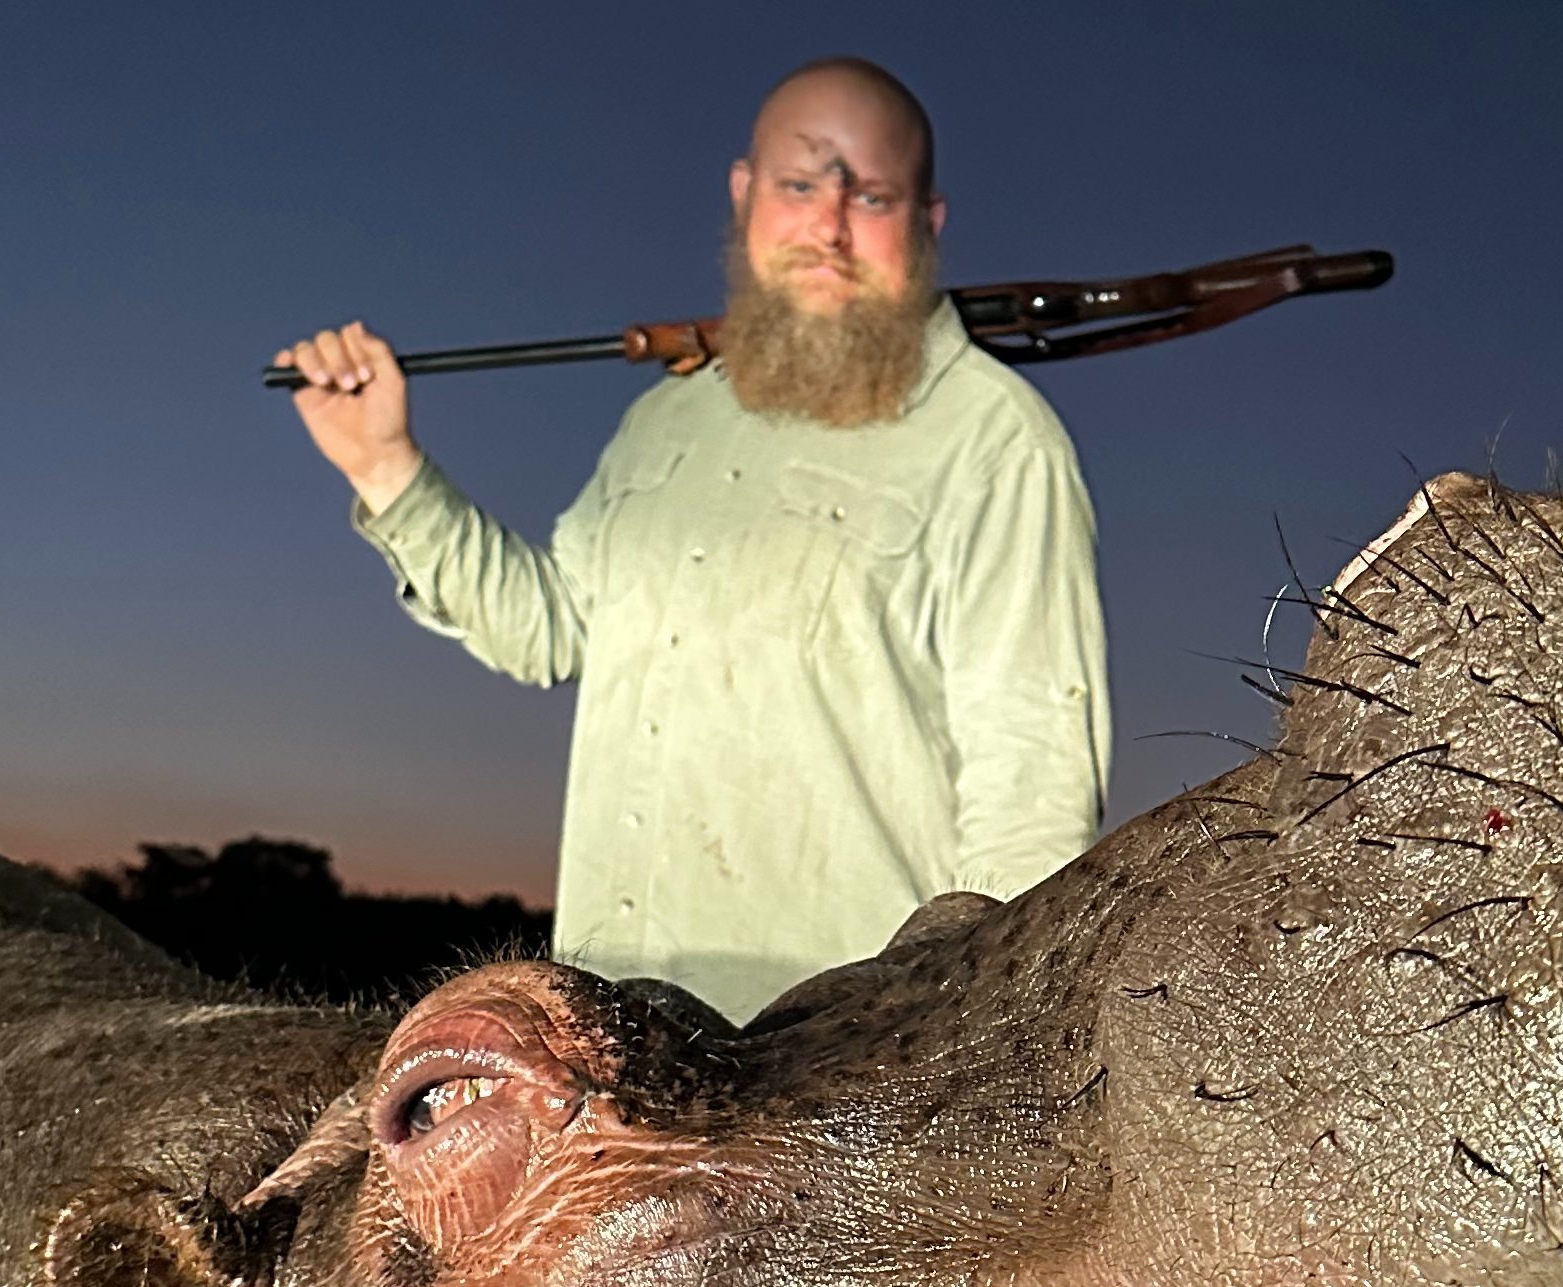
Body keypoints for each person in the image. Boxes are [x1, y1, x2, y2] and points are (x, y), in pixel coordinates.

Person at [274, 58, 1111, 1025]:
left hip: (829, 1068)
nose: (830, 226)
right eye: (801, 184)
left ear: (927, 223)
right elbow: (547, 628)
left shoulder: (997, 440)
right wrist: (386, 468)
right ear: (746, 195)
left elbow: (1033, 801)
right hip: (612, 1040)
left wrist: (969, 1048)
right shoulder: (665, 421)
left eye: (871, 195)